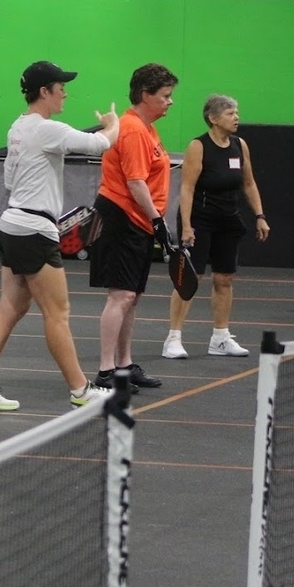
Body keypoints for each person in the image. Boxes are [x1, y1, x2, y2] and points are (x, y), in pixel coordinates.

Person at [0, 61, 120, 412]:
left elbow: (9, 181)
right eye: (60, 86)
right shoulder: (48, 129)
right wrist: (113, 123)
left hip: (14, 225)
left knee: (12, 307)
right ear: (44, 92)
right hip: (33, 231)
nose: (65, 92)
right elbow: (99, 145)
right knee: (58, 312)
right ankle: (81, 390)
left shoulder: (18, 128)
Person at [89, 63, 178, 390]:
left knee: (132, 296)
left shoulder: (147, 128)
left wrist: (154, 221)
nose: (170, 102)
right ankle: (106, 371)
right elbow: (136, 182)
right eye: (165, 96)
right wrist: (159, 221)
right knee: (121, 295)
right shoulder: (134, 129)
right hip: (121, 217)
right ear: (145, 95)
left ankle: (124, 366)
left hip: (138, 220)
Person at [161, 95, 270, 359]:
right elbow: (186, 188)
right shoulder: (199, 146)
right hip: (200, 219)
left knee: (224, 278)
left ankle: (220, 338)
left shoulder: (239, 145)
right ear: (213, 118)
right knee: (191, 279)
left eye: (237, 112)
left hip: (228, 219)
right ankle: (173, 338)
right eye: (231, 113)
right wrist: (186, 226)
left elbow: (249, 183)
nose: (236, 118)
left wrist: (260, 215)